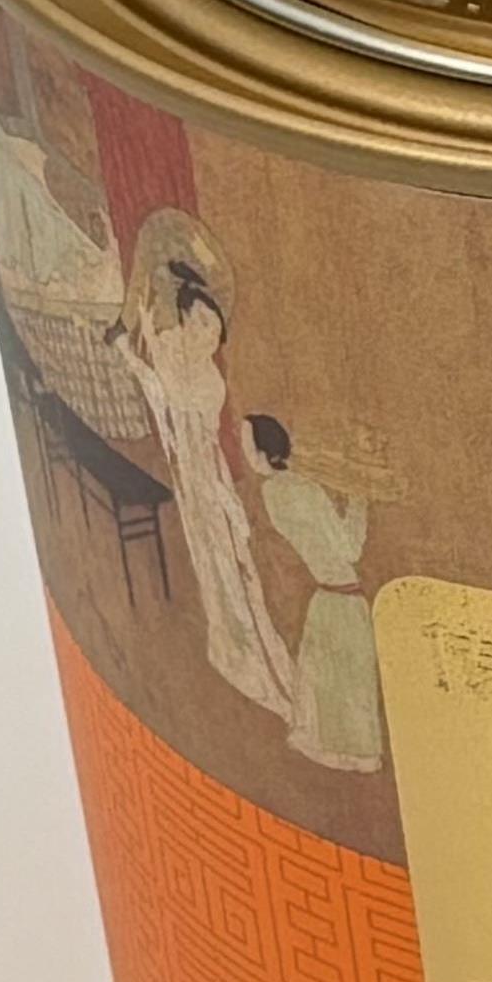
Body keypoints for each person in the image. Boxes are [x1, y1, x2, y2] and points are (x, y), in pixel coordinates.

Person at [129, 213, 301, 718]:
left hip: (205, 465)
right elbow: (163, 386)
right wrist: (139, 344)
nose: (209, 334)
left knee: (230, 557)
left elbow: (172, 386)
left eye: (214, 327)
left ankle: (251, 656)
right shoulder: (182, 352)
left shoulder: (200, 358)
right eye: (201, 324)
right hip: (195, 466)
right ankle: (233, 649)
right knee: (215, 555)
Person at [248, 415, 381, 770]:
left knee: (330, 683)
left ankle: (341, 750)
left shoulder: (275, 491)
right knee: (349, 686)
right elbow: (350, 549)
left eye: (249, 444)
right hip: (342, 595)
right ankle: (358, 755)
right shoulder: (300, 490)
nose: (246, 452)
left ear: (266, 451)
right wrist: (358, 499)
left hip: (329, 595)